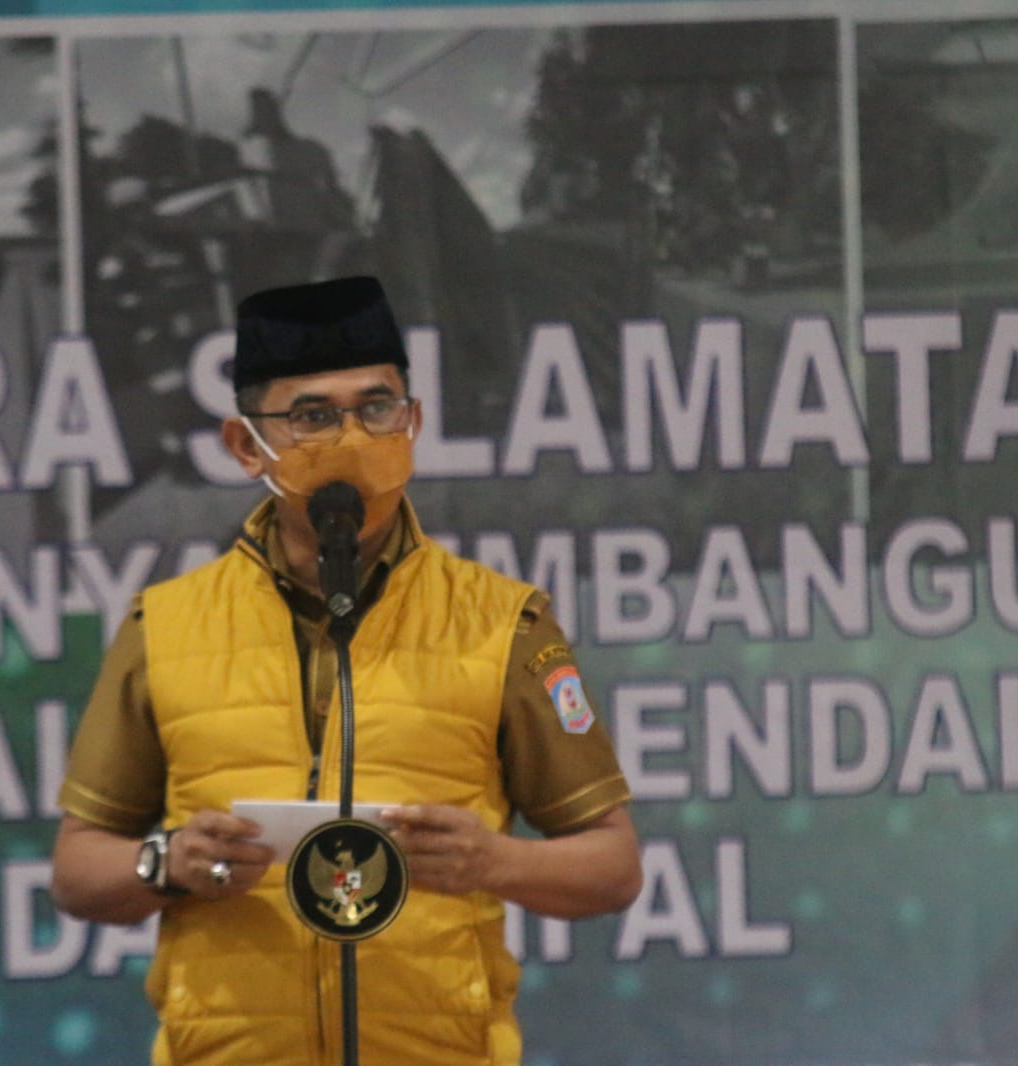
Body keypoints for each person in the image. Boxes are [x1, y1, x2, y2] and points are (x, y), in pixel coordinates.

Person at [50, 275, 642, 1065]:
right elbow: (77, 869)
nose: (353, 436)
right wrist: (166, 861)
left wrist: (497, 860)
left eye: (377, 407)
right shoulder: (163, 627)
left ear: (414, 423)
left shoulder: (501, 623)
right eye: (313, 416)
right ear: (245, 446)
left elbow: (612, 865)